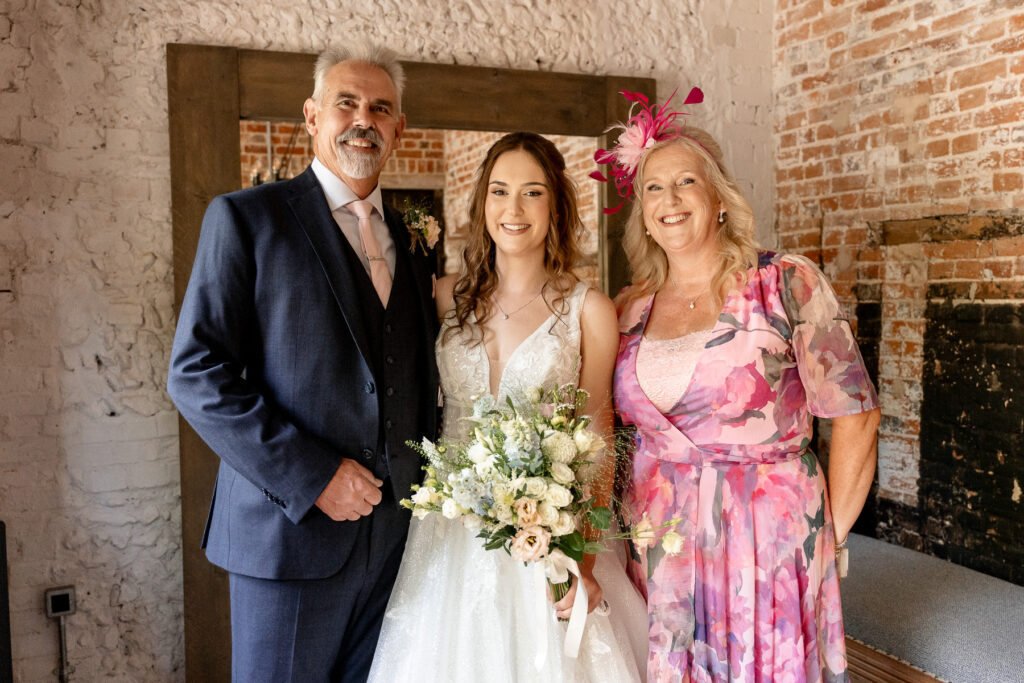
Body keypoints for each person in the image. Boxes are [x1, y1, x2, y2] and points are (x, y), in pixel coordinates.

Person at [166, 41, 439, 682]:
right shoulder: (247, 219)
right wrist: (314, 476)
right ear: (313, 117)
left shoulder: (412, 238)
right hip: (289, 537)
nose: (363, 119)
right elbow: (195, 373)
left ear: (399, 127)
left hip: (397, 543)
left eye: (381, 107)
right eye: (346, 103)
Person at [599, 91, 881, 681]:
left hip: (768, 546)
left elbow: (854, 413)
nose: (668, 201)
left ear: (719, 199)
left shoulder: (783, 284)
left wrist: (821, 538)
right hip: (658, 547)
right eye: (653, 187)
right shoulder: (626, 310)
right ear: (641, 210)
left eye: (686, 183)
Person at [367, 132, 649, 682]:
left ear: (556, 207)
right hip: (449, 532)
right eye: (499, 191)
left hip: (548, 531)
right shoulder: (444, 297)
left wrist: (579, 559)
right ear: (482, 203)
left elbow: (597, 434)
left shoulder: (587, 310)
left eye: (532, 193)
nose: (513, 209)